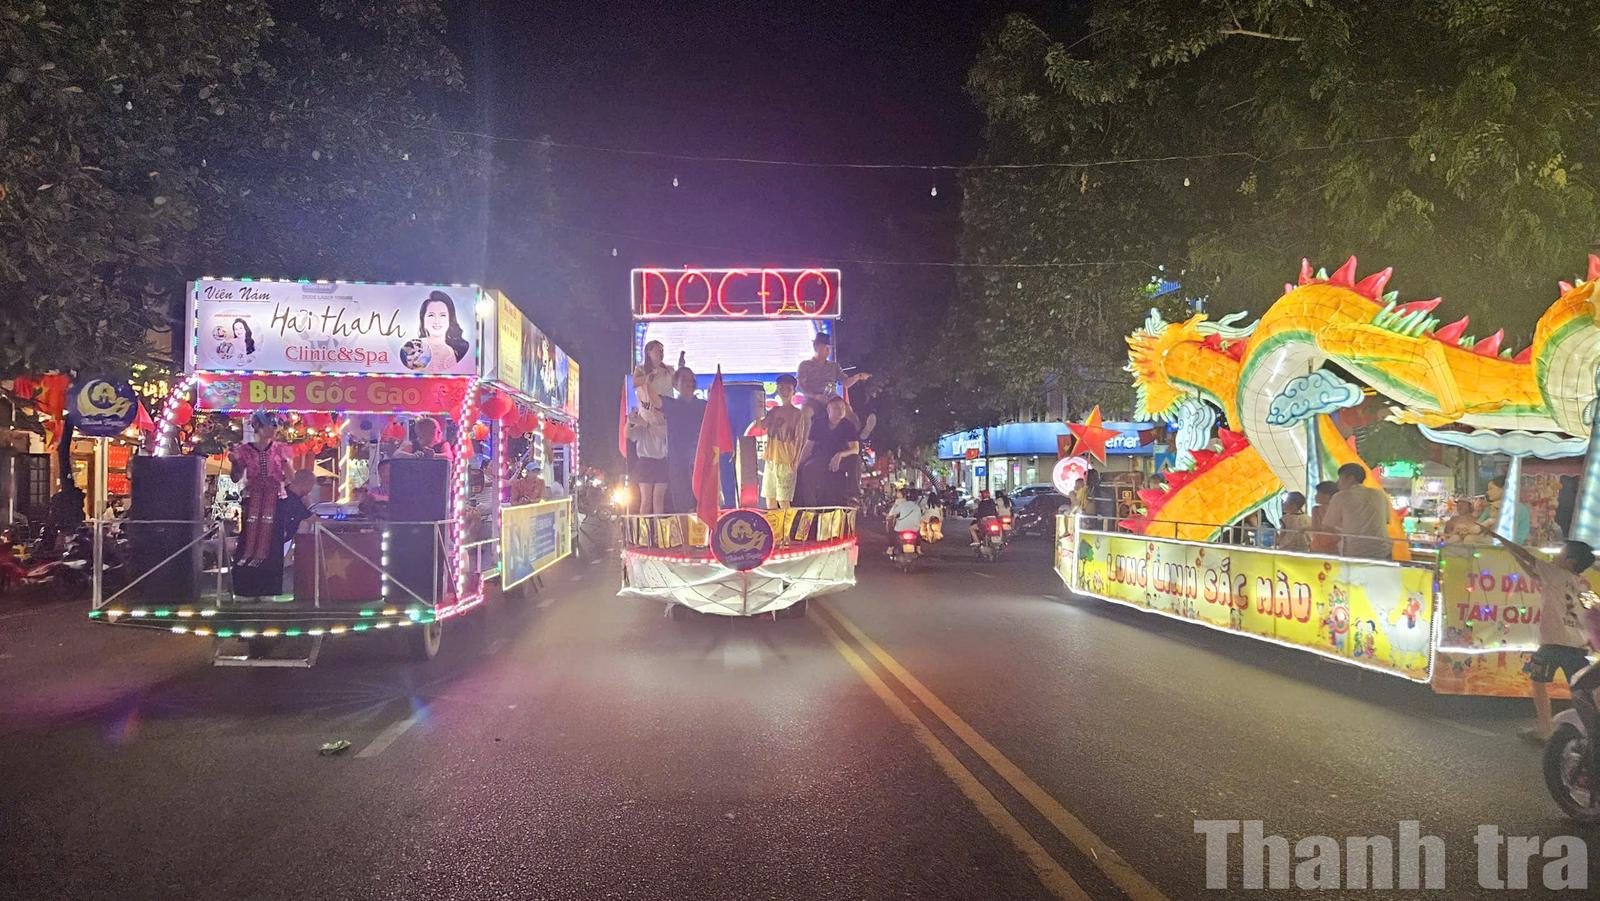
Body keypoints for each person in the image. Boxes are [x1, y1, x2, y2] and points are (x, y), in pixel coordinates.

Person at [1483, 526, 1598, 743]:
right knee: (1583, 689)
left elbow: (1527, 558)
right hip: (1577, 645)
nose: (1555, 556)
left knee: (1538, 681)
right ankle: (1590, 729)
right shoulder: (1582, 584)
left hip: (1552, 643)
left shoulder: (1554, 573)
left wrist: (1500, 539)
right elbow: (1594, 608)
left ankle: (1545, 728)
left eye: (1561, 553)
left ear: (1570, 561)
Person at [229, 411, 296, 598]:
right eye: (270, 424)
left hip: (275, 501)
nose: (274, 429)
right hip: (253, 500)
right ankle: (245, 589)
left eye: (276, 425)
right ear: (257, 427)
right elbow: (235, 478)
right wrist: (234, 463)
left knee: (273, 544)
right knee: (248, 541)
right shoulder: (244, 450)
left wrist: (294, 489)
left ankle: (269, 589)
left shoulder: (280, 449)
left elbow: (291, 476)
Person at [658, 367, 707, 514]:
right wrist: (647, 380)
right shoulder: (671, 405)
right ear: (675, 384)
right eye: (684, 380)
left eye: (691, 380)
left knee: (703, 505)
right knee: (683, 507)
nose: (689, 383)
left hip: (700, 462)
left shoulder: (704, 405)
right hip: (678, 464)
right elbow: (652, 400)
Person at [1321, 463, 1395, 559]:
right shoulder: (1380, 495)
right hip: (1383, 551)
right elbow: (1386, 521)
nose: (1337, 482)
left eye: (1340, 478)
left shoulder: (1341, 496)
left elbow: (1328, 527)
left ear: (1351, 478)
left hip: (1355, 552)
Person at [797, 396, 859, 507]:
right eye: (836, 408)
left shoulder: (848, 425)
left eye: (842, 408)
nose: (840, 411)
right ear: (828, 409)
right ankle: (810, 506)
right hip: (822, 457)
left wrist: (840, 454)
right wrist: (798, 464)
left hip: (840, 459)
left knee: (855, 459)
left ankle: (853, 496)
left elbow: (855, 449)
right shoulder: (818, 423)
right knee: (807, 469)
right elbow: (808, 446)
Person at [796, 333, 868, 426]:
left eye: (829, 348)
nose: (828, 350)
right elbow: (799, 386)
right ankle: (805, 435)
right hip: (812, 399)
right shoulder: (805, 365)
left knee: (850, 414)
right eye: (825, 347)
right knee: (805, 414)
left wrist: (857, 377)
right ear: (816, 347)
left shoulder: (834, 366)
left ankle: (860, 432)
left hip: (831, 398)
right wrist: (815, 396)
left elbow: (846, 383)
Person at [760, 374, 808, 509]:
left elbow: (799, 439)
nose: (784, 391)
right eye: (781, 388)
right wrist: (757, 407)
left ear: (793, 391)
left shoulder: (797, 414)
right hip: (770, 459)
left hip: (787, 461)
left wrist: (796, 461)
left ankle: (787, 523)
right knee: (770, 498)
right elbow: (761, 425)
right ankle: (774, 522)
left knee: (783, 500)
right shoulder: (773, 411)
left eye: (788, 388)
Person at [417, 290, 471, 373]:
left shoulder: (460, 351)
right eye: (431, 315)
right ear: (423, 319)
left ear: (450, 318)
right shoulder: (415, 348)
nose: (437, 321)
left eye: (442, 315)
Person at [1476, 475, 1531, 543]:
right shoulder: (1490, 508)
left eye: (1491, 488)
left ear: (1504, 489)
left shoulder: (1520, 510)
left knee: (1471, 539)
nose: (1487, 492)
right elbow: (1476, 528)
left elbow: (1518, 536)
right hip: (1491, 542)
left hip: (1511, 544)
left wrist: (1490, 522)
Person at [885, 488, 925, 555]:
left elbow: (892, 513)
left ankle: (890, 549)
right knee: (919, 534)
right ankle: (918, 549)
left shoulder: (902, 505)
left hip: (900, 528)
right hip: (914, 529)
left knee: (891, 533)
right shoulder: (917, 507)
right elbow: (919, 519)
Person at [1308, 480, 1340, 553]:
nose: (1315, 496)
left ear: (1327, 495)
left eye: (1318, 493)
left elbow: (1315, 528)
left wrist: (1305, 528)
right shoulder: (1339, 508)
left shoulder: (1316, 509)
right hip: (1336, 546)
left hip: (1319, 545)